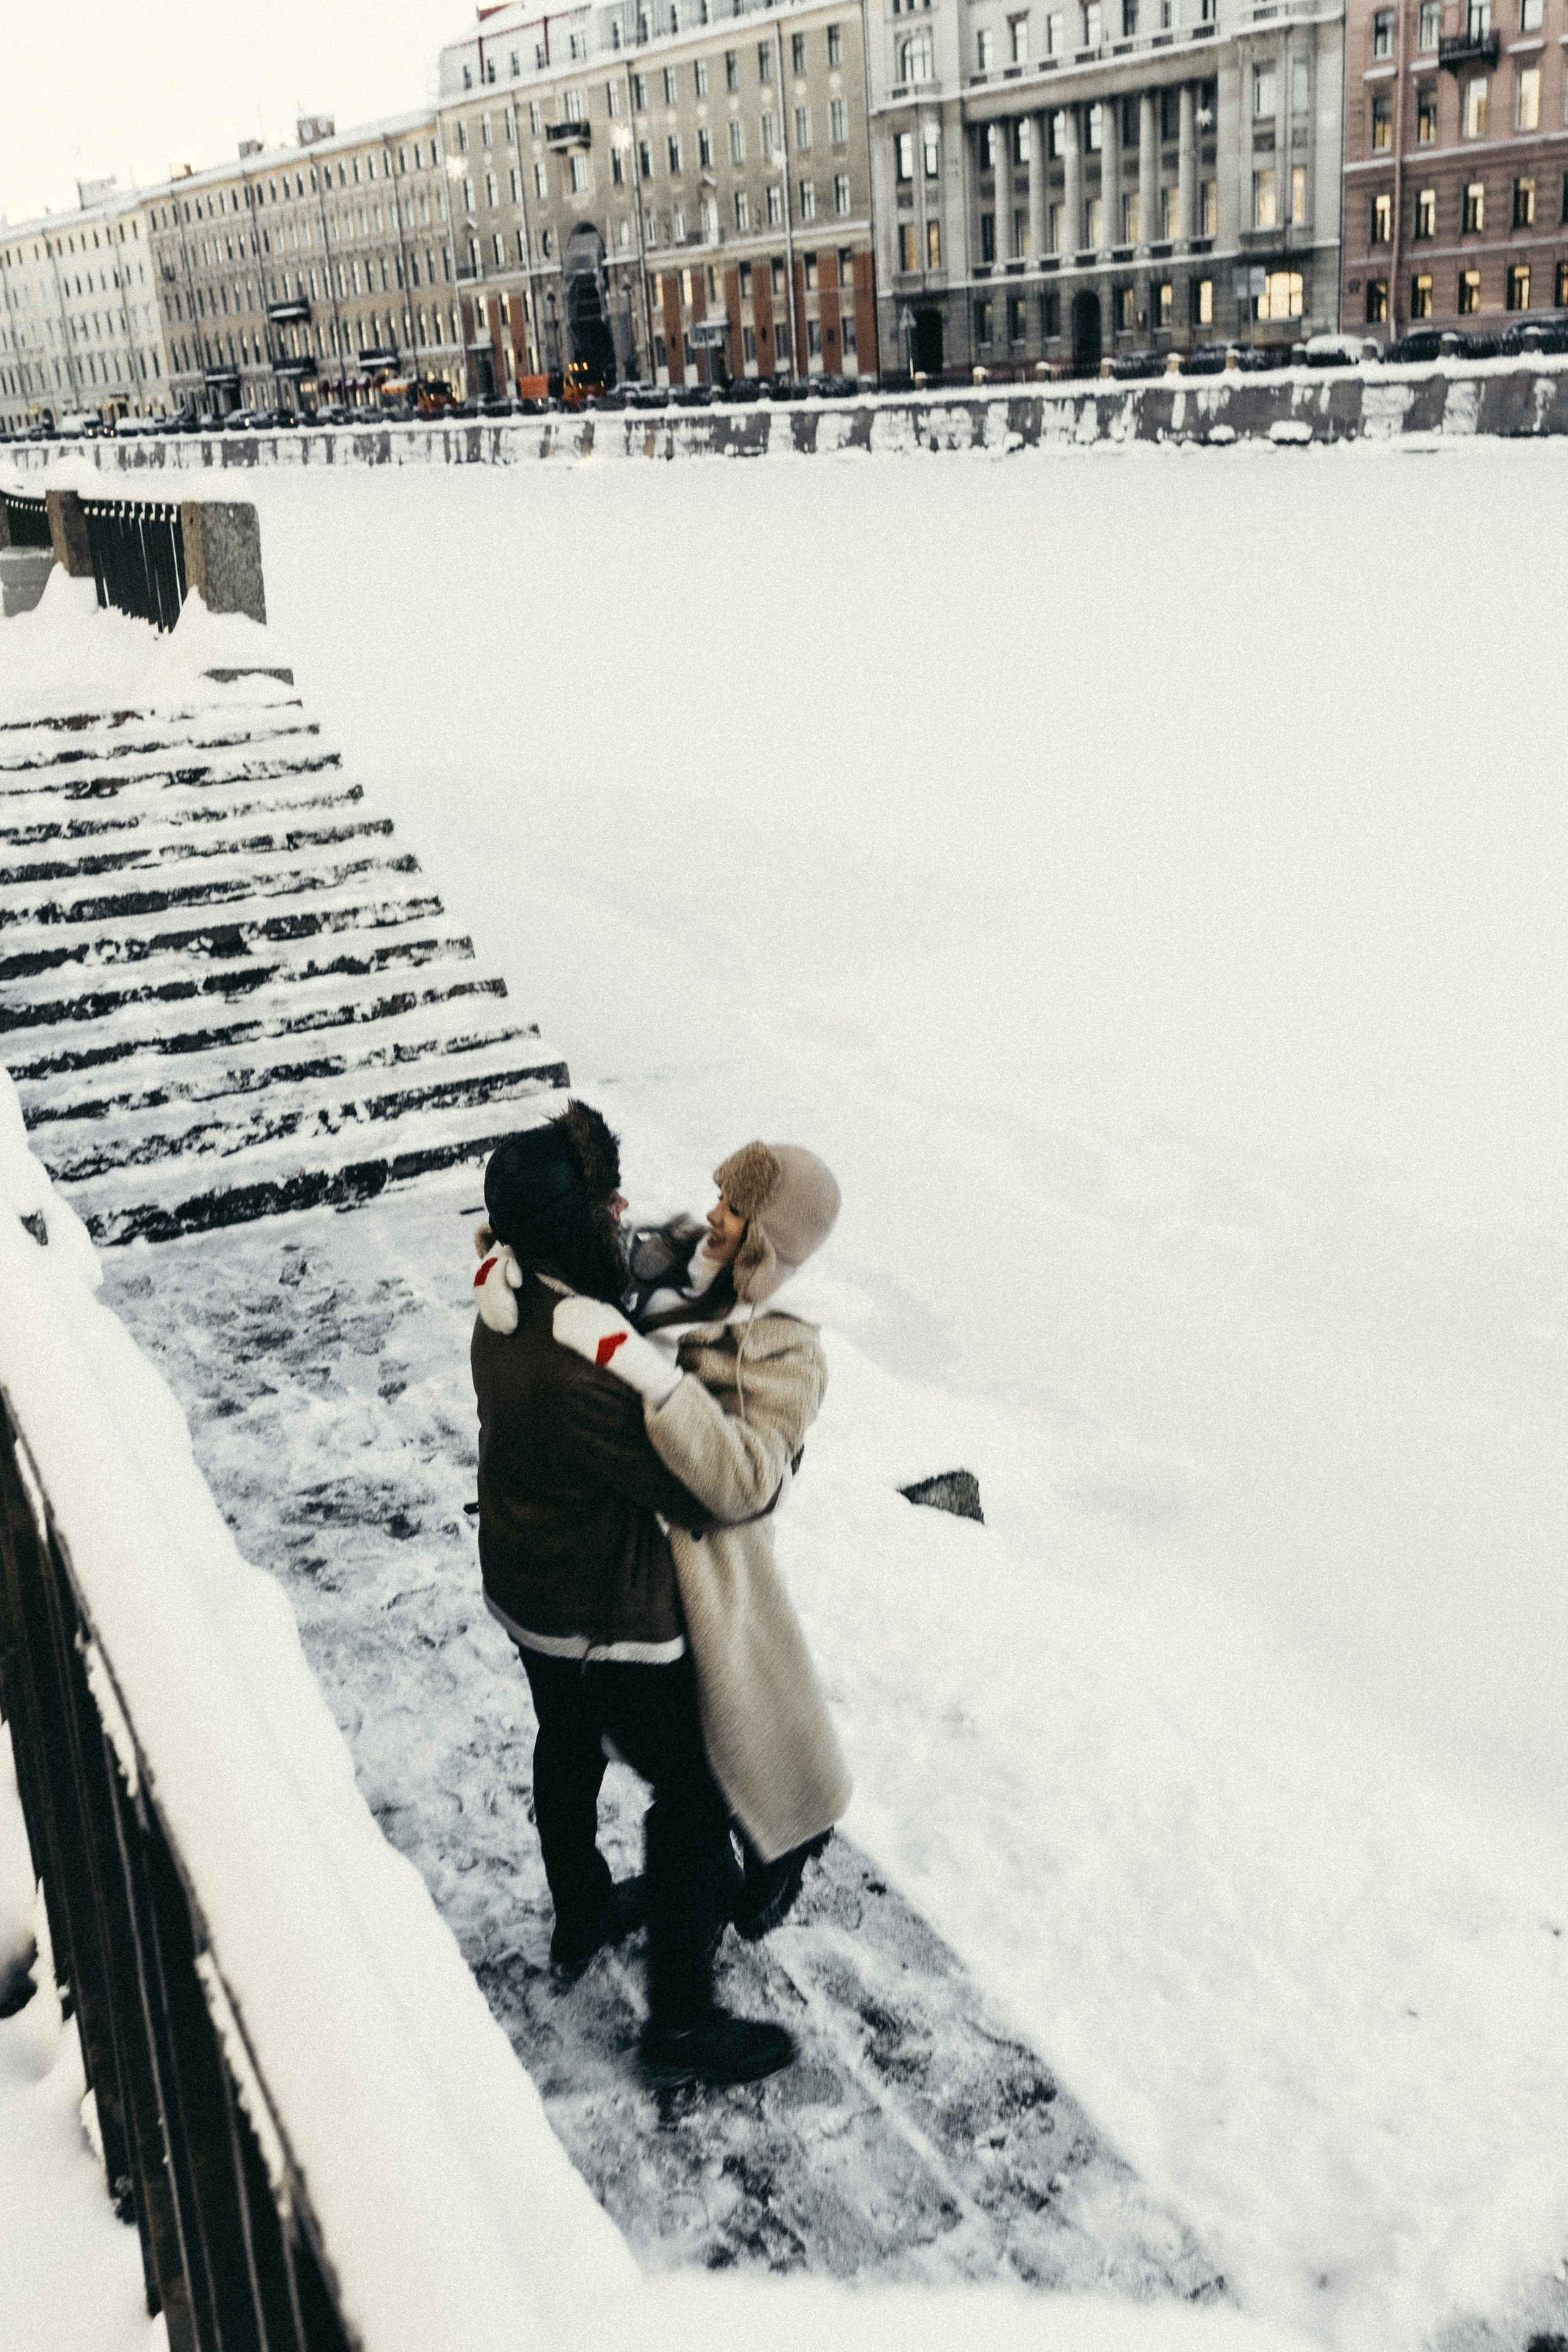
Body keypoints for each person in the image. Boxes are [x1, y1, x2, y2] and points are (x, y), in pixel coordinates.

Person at [469, 1101, 794, 2088]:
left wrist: (684, 1258)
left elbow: (615, 1276)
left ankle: (581, 1909)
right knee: (698, 1792)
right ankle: (682, 2026)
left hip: (526, 1588)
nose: (621, 1206)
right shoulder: (586, 1373)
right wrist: (772, 1446)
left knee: (566, 1742)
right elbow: (710, 1488)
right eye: (602, 1199)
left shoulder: (507, 1290)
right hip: (597, 1616)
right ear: (569, 1225)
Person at [551, 1140, 852, 1945]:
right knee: (663, 1749)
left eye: (733, 1210)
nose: (711, 1215)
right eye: (719, 1198)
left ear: (767, 1240)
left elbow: (752, 1479)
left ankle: (768, 1858)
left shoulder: (788, 1345)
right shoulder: (681, 1256)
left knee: (715, 1746)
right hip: (630, 1555)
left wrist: (657, 1382)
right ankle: (710, 1880)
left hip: (708, 1570)